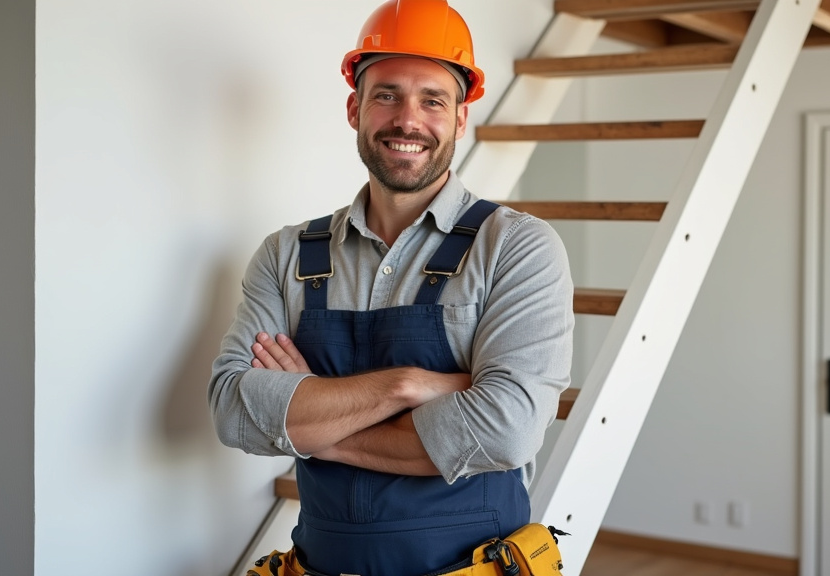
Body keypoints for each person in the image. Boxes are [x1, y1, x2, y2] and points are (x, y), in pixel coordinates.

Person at [209, 1, 574, 575]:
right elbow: (234, 410)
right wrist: (407, 386)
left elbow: (507, 429)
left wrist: (308, 428)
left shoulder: (517, 248)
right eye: (386, 95)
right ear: (355, 108)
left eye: (433, 99)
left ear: (460, 117)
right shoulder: (288, 255)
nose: (408, 119)